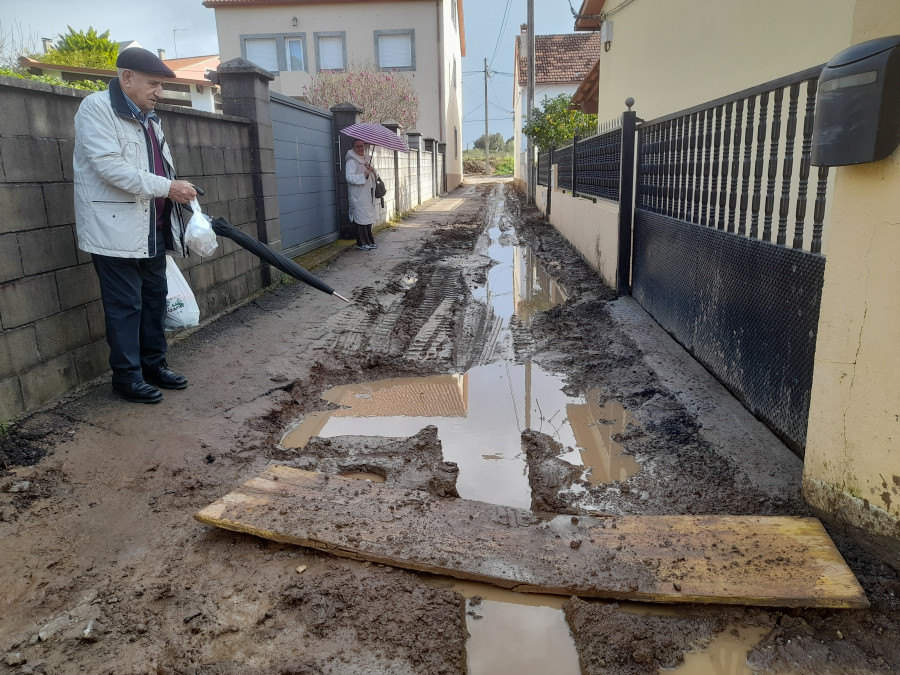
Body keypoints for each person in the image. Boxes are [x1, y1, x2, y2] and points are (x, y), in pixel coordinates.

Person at [73, 48, 197, 404]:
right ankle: (126, 379)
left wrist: (175, 185)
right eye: (153, 84)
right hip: (114, 231)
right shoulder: (97, 109)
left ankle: (153, 366)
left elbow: (159, 170)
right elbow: (109, 167)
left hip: (151, 226)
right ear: (127, 78)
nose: (159, 92)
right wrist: (166, 187)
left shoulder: (150, 119)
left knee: (155, 300)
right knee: (126, 305)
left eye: (161, 85)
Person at [345, 140, 380, 250]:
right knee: (360, 219)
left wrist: (372, 170)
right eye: (358, 146)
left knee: (368, 219)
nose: (360, 148)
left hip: (368, 194)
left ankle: (369, 240)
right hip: (358, 194)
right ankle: (362, 242)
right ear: (353, 148)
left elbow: (376, 176)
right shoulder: (351, 161)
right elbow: (349, 178)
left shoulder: (367, 160)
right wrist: (363, 175)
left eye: (362, 146)